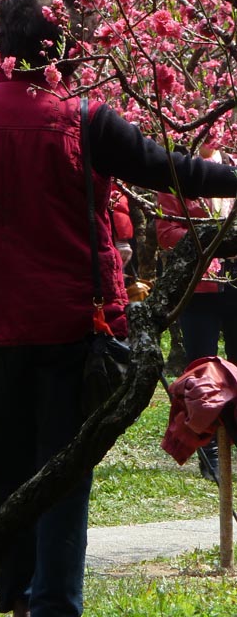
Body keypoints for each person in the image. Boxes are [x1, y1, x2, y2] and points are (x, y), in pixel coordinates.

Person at [0, 0, 237, 617]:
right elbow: (166, 169)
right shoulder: (82, 118)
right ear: (68, 47)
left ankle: (12, 591)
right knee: (62, 469)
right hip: (70, 323)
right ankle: (54, 603)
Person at [156, 144, 237, 479]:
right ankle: (210, 451)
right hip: (199, 288)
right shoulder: (178, 174)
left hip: (234, 283)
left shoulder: (231, 166)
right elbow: (166, 234)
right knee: (202, 374)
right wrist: (214, 238)